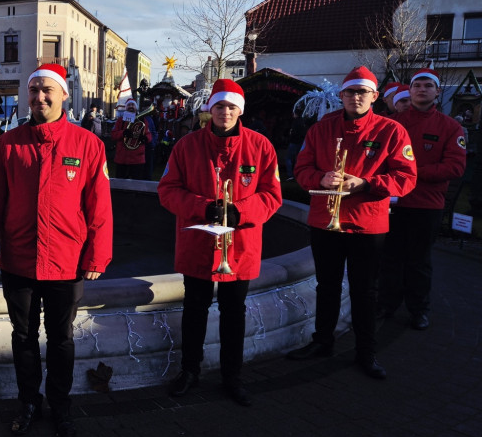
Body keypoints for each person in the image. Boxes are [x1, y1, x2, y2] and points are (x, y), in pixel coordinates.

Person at [0, 63, 112, 437]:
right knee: (23, 336)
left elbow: (99, 206)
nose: (39, 97)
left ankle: (61, 405)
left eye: (47, 90)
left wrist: (97, 255)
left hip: (66, 261)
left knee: (62, 338)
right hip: (19, 260)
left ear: (64, 94)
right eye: (33, 91)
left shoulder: (88, 145)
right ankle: (29, 402)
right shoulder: (7, 145)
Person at [158, 79, 282, 406]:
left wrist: (241, 210)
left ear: (239, 111)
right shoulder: (186, 146)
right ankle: (190, 371)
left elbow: (272, 195)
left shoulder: (261, 146)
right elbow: (167, 190)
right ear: (209, 109)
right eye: (219, 106)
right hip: (198, 242)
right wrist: (202, 207)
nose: (224, 112)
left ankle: (232, 375)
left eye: (231, 107)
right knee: (194, 310)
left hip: (239, 246)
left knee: (233, 312)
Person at [287, 66, 416, 380]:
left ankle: (365, 351)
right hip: (324, 220)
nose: (355, 97)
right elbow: (301, 170)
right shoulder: (320, 129)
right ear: (341, 96)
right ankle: (323, 341)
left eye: (362, 92)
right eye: (350, 92)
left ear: (374, 96)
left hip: (366, 224)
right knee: (326, 286)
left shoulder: (391, 131)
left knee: (365, 291)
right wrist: (320, 177)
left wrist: (367, 184)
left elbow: (406, 178)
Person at [380, 68, 467, 330]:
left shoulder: (451, 127)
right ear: (410, 89)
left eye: (428, 86)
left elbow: (455, 167)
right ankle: (387, 304)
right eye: (417, 85)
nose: (421, 89)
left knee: (419, 260)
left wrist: (412, 173)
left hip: (426, 205)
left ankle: (419, 309)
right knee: (391, 257)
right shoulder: (392, 123)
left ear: (437, 92)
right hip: (393, 203)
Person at [110, 99, 148, 180]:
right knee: (121, 185)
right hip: (122, 159)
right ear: (126, 107)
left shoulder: (143, 120)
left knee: (137, 185)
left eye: (133, 105)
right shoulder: (120, 121)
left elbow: (149, 135)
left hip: (137, 159)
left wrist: (145, 138)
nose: (131, 106)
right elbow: (113, 135)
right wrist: (123, 133)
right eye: (129, 105)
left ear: (136, 107)